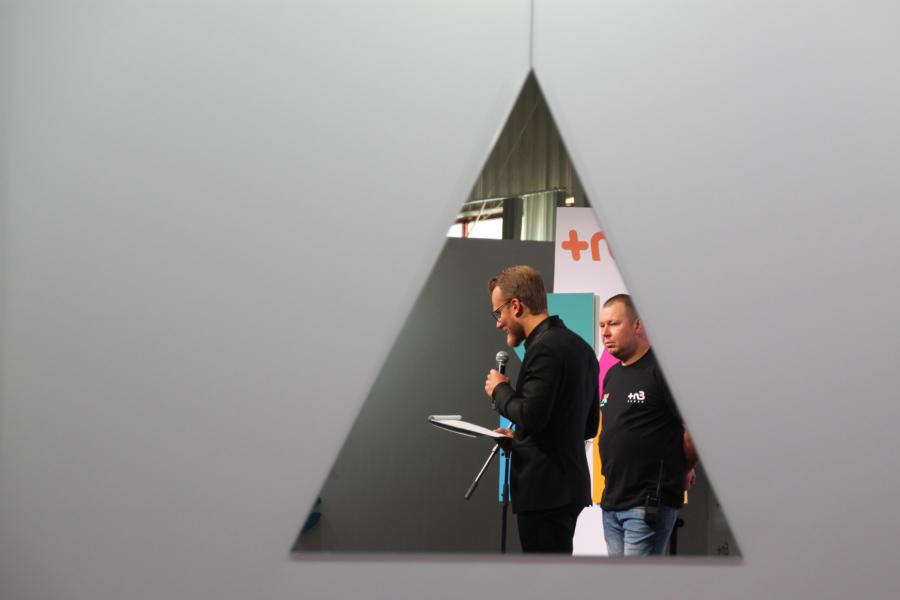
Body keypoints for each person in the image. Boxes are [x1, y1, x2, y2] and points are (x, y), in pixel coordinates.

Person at [484, 265, 599, 553]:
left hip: (545, 491)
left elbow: (530, 415)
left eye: (498, 313)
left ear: (516, 306)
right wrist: (520, 439)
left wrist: (500, 389)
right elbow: (587, 426)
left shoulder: (544, 348)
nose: (498, 324)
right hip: (566, 488)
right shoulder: (582, 348)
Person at [597, 294, 698, 556]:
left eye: (613, 324)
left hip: (647, 504)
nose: (605, 333)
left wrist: (684, 467)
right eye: (602, 325)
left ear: (637, 325)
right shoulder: (611, 375)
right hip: (612, 504)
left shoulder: (664, 370)